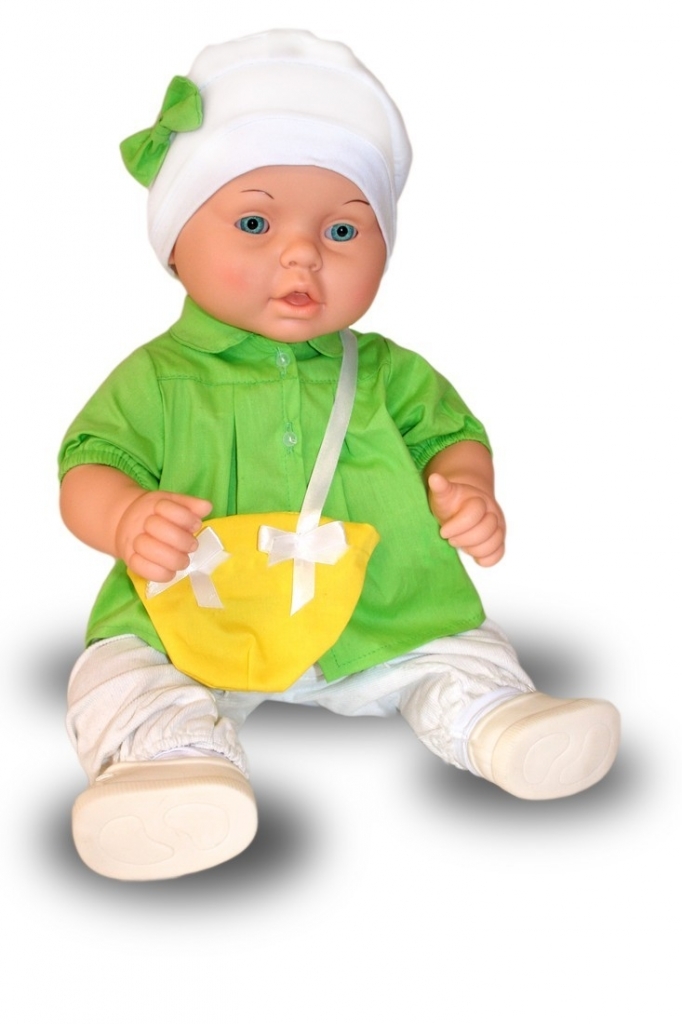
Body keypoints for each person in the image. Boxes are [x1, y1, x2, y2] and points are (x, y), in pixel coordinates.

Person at [59, 30, 620, 881]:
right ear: (175, 244)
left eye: (343, 230)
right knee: (118, 669)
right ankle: (169, 762)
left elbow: (450, 436)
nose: (302, 253)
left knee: (457, 644)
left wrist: (464, 488)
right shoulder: (157, 378)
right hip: (194, 612)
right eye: (254, 222)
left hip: (380, 611)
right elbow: (90, 464)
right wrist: (125, 517)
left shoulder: (387, 371)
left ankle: (497, 721)